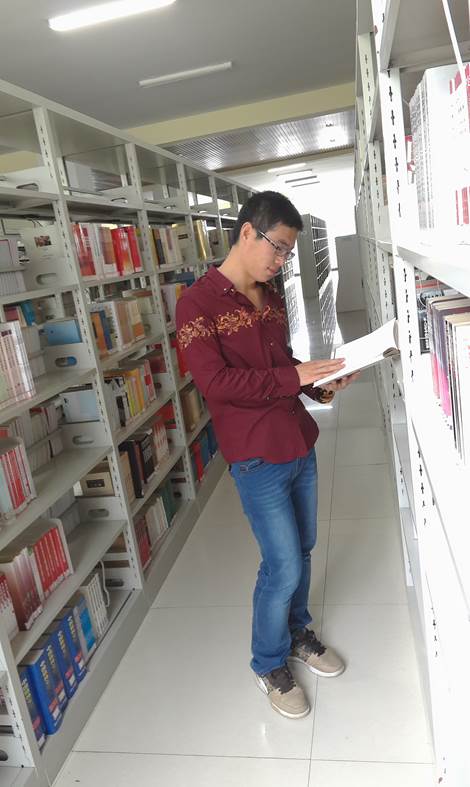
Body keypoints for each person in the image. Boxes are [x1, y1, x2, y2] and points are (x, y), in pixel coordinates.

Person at [176, 191, 358, 720]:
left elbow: (283, 364)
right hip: (256, 456)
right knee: (281, 565)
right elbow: (216, 384)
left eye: (287, 253)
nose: (281, 261)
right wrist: (293, 376)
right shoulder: (196, 305)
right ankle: (268, 662)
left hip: (298, 441)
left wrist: (319, 385)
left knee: (304, 549)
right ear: (247, 233)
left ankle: (298, 632)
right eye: (277, 247)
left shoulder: (272, 296)